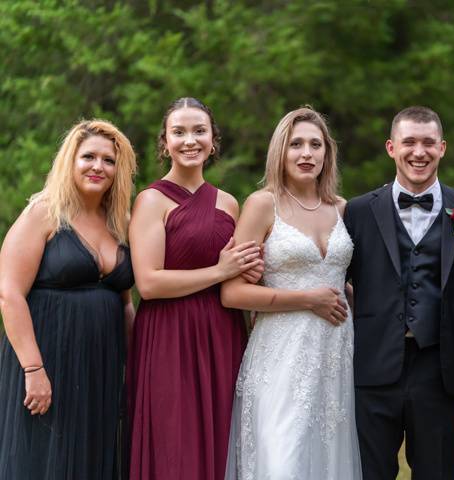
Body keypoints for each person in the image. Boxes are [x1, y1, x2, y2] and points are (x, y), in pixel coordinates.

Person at [343, 106, 454, 479]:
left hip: (440, 368)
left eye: (428, 143)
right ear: (391, 147)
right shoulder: (357, 211)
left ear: (443, 148)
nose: (418, 152)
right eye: (409, 142)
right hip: (372, 365)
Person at [222, 107, 362, 479]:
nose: (306, 153)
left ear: (326, 154)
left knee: (327, 458)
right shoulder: (262, 205)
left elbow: (343, 279)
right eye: (296, 144)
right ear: (280, 153)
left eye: (316, 145)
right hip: (281, 356)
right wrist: (306, 299)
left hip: (333, 352)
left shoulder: (342, 209)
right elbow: (232, 292)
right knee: (284, 459)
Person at [126, 97, 262, 480]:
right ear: (165, 142)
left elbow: (239, 273)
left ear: (213, 141)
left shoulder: (230, 204)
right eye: (179, 132)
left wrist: (252, 272)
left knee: (222, 442)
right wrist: (220, 271)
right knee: (175, 444)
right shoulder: (150, 201)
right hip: (168, 334)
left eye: (199, 131)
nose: (190, 140)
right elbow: (149, 283)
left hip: (222, 333)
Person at [0, 119, 136, 479]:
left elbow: (125, 304)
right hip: (48, 361)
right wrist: (33, 369)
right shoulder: (44, 212)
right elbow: (9, 293)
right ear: (70, 161)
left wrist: (135, 368)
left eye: (108, 160)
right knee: (45, 460)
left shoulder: (120, 221)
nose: (98, 166)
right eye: (88, 156)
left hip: (102, 366)